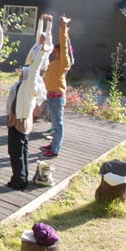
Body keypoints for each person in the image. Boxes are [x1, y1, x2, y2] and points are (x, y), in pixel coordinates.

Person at [5, 48, 49, 190]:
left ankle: (19, 180)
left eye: (23, 72)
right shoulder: (22, 85)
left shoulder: (29, 85)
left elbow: (35, 70)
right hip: (18, 120)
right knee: (21, 151)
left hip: (20, 121)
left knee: (16, 152)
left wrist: (42, 53)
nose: (21, 73)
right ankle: (21, 178)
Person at [41, 16, 73, 158]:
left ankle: (55, 150)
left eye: (56, 51)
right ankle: (53, 144)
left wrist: (63, 28)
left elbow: (64, 46)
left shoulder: (62, 62)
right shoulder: (54, 62)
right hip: (51, 96)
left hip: (57, 97)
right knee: (54, 124)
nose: (55, 52)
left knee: (58, 125)